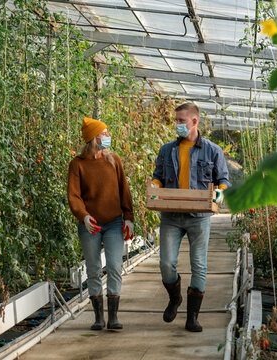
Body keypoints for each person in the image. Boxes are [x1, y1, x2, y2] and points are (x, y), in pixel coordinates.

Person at [151, 103, 230, 332]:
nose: (177, 124)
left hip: (199, 216)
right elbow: (158, 177)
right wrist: (155, 185)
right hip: (171, 215)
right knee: (166, 263)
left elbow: (223, 179)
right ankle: (175, 299)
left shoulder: (213, 150)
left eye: (180, 120)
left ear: (194, 121)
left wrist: (220, 192)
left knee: (199, 265)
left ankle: (192, 317)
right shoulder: (167, 150)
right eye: (175, 120)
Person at [67, 117, 134, 331]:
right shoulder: (77, 164)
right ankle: (98, 317)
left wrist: (129, 217)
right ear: (94, 138)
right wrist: (83, 216)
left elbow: (124, 190)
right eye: (104, 133)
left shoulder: (113, 160)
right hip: (90, 225)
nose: (107, 136)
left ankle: (113, 317)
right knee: (94, 269)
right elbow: (74, 196)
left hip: (114, 222)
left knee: (114, 266)